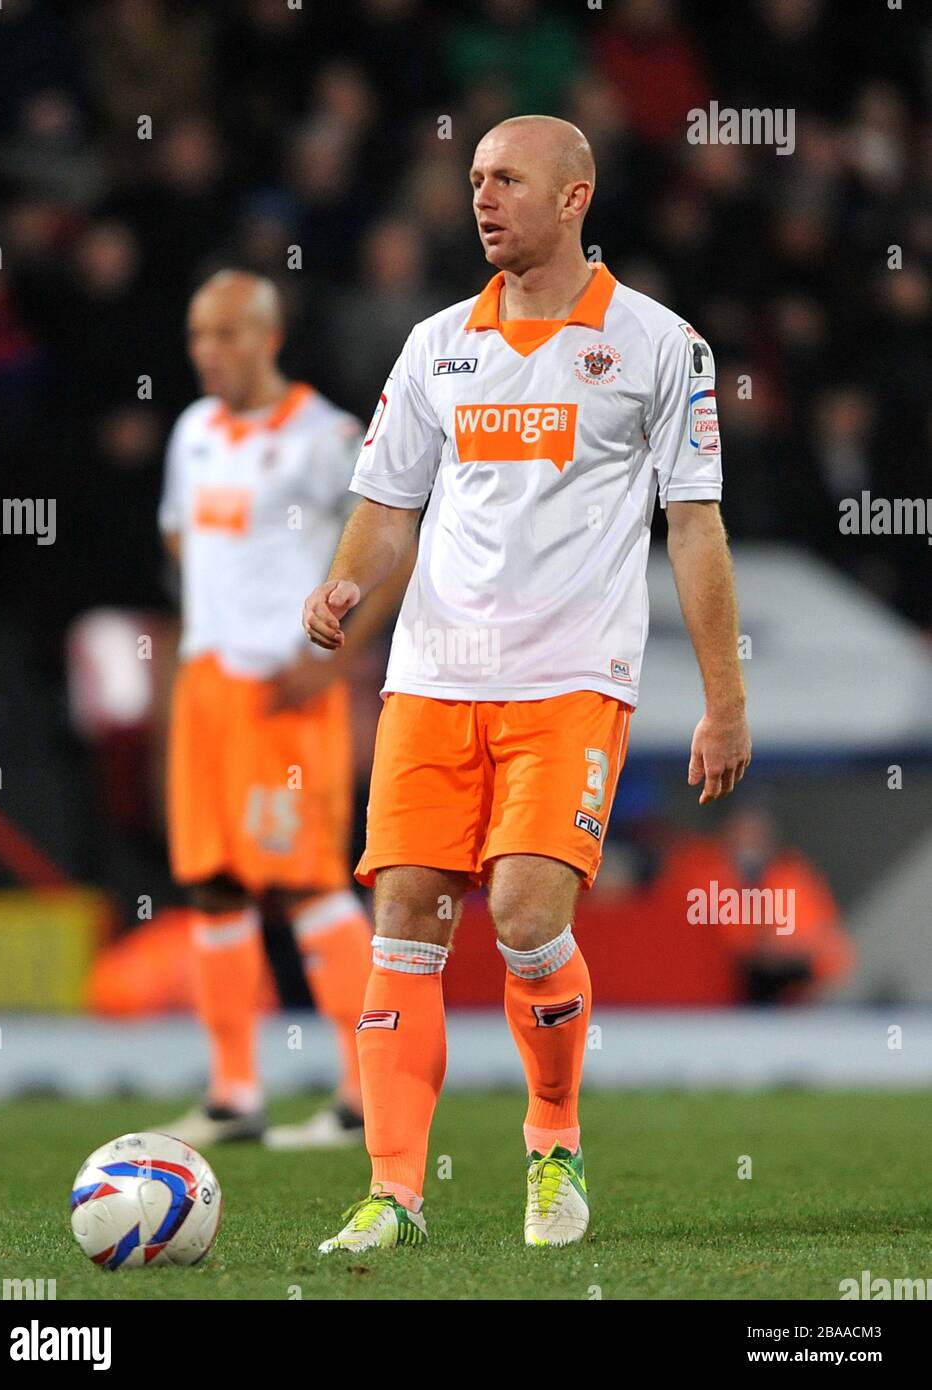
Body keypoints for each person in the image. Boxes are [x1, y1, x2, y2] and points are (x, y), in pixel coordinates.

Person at [302, 116, 751, 1251]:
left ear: (574, 196)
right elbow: (387, 508)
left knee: (523, 910)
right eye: (472, 180)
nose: (482, 198)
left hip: (568, 681)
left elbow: (694, 529)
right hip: (431, 682)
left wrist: (724, 698)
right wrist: (347, 586)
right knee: (403, 912)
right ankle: (392, 1191)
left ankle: (554, 1143)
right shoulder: (435, 345)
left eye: (506, 179)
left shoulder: (661, 346)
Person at [158, 270, 411, 1151]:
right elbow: (180, 535)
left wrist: (335, 661)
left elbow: (395, 546)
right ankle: (234, 1094)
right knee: (213, 884)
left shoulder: (325, 435)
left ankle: (361, 1093)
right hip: (208, 689)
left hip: (286, 691)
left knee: (303, 880)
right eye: (198, 335)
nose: (209, 353)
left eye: (227, 334)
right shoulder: (190, 433)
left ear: (269, 337)